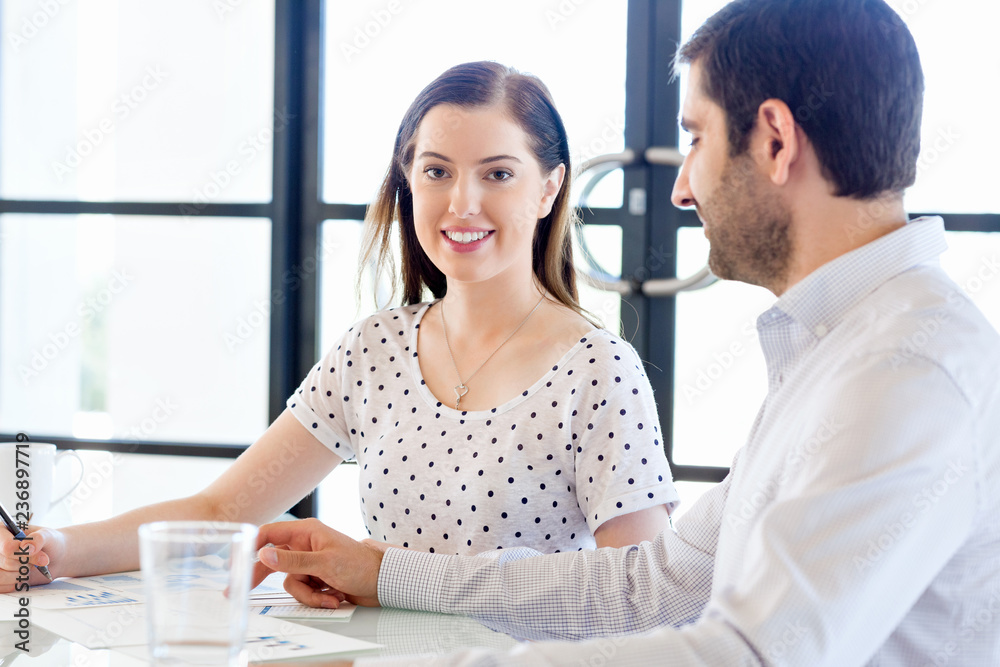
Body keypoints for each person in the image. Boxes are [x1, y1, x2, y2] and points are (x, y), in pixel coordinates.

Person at [246, 1, 1000, 665]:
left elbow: (751, 654)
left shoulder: (906, 365)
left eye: (696, 139)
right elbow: (657, 582)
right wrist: (382, 572)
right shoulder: (838, 349)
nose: (679, 187)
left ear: (773, 139)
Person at [0, 62, 678, 590]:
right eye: (436, 171)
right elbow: (220, 510)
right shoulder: (374, 349)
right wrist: (57, 549)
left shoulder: (598, 370)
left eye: (498, 173)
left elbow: (641, 593)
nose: (462, 202)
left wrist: (383, 577)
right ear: (408, 183)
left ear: (549, 187)